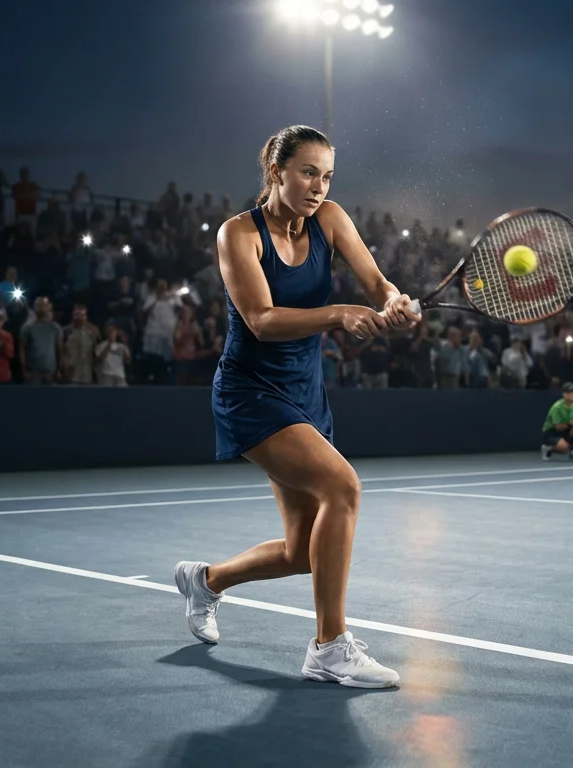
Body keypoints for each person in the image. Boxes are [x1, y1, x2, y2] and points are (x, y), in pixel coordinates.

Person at [173, 125, 419, 688]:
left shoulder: (331, 219)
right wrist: (338, 313)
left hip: (306, 394)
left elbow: (377, 282)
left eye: (327, 175)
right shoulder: (238, 234)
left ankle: (205, 580)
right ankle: (329, 646)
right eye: (308, 172)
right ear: (276, 171)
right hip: (250, 392)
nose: (318, 185)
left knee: (303, 551)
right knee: (344, 487)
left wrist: (393, 302)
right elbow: (261, 320)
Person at [541, 382, 573, 461]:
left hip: (565, 430)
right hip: (551, 432)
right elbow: (558, 427)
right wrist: (571, 424)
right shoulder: (557, 407)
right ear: (564, 394)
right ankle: (548, 448)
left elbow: (572, 424)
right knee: (564, 448)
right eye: (570, 392)